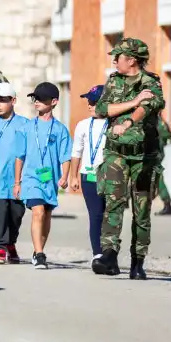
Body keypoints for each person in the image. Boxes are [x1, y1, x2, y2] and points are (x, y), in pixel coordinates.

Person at [92, 37, 164, 280]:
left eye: (118, 56)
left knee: (141, 212)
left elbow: (149, 106)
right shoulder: (113, 81)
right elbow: (101, 110)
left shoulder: (151, 82)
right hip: (116, 153)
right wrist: (132, 102)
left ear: (132, 60)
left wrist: (129, 119)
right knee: (113, 204)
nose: (114, 60)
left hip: (144, 157)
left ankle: (138, 262)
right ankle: (109, 255)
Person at [16, 82, 71, 270]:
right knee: (38, 211)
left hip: (50, 179)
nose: (36, 101)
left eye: (41, 99)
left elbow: (65, 156)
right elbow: (19, 156)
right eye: (35, 98)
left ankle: (37, 250)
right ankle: (40, 254)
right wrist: (17, 182)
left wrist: (65, 176)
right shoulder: (27, 127)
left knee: (46, 215)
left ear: (54, 102)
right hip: (31, 178)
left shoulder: (60, 130)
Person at [0, 82, 30, 265]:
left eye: (3, 100)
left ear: (13, 101)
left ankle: (10, 243)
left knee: (16, 213)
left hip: (19, 178)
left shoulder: (25, 124)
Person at [68, 85, 108, 267]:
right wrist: (74, 176)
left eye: (94, 101)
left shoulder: (114, 124)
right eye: (89, 101)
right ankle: (97, 253)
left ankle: (110, 251)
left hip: (109, 176)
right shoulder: (83, 125)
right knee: (96, 215)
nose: (90, 105)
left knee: (110, 217)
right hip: (88, 176)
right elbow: (76, 152)